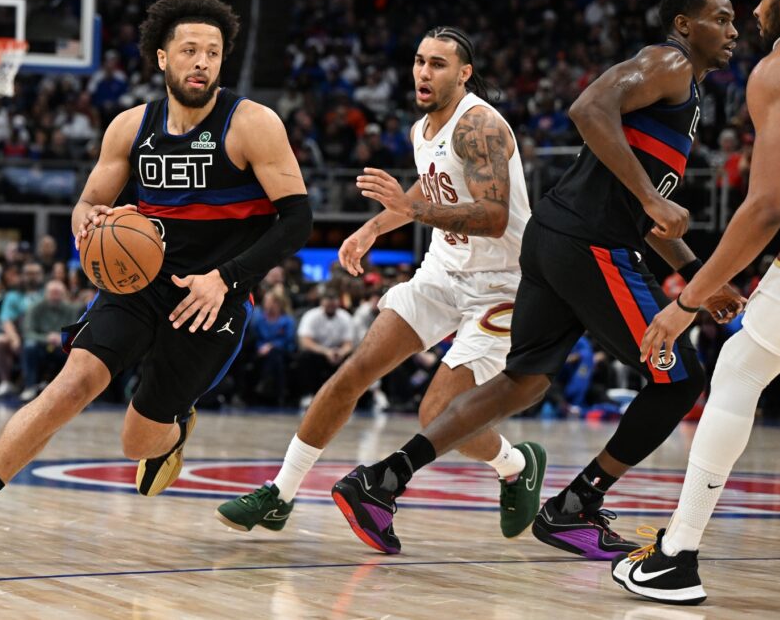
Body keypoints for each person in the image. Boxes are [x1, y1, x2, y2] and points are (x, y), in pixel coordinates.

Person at [328, 0, 746, 559]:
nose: (732, 31)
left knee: (523, 381)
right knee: (679, 379)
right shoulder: (666, 62)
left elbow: (645, 214)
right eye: (720, 19)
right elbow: (587, 108)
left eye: (733, 21)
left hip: (558, 240)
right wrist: (652, 198)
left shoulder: (687, 93)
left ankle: (382, 479)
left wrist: (700, 271)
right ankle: (577, 506)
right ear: (682, 24)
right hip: (588, 244)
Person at [0, 0, 312, 566]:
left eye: (214, 53)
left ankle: (173, 428)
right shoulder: (129, 128)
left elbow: (298, 219)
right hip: (136, 284)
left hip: (210, 299)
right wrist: (89, 222)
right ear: (162, 59)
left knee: (136, 442)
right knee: (69, 387)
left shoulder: (252, 124)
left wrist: (225, 278)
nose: (202, 62)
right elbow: (88, 204)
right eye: (190, 50)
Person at [216, 27, 544, 550]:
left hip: (502, 285)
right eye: (419, 61)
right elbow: (431, 183)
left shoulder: (479, 124)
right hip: (443, 270)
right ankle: (280, 494)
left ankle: (516, 464)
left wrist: (410, 210)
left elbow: (494, 214)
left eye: (438, 64)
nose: (423, 72)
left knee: (437, 412)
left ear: (463, 74)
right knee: (354, 372)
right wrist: (374, 226)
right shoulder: (422, 131)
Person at [613, 0, 780, 604]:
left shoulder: (779, 70)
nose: (754, 11)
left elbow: (768, 204)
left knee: (740, 369)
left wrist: (685, 299)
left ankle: (677, 554)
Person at [0, 262, 45, 399]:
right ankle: (6, 382)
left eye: (36, 274)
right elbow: (6, 320)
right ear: (22, 276)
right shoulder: (13, 295)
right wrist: (14, 338)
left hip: (43, 336)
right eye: (28, 274)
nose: (32, 277)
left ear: (42, 276)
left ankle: (35, 384)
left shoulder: (49, 293)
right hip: (21, 336)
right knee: (0, 340)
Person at [18, 280, 79, 402]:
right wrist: (46, 338)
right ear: (46, 294)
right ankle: (29, 387)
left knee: (77, 350)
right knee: (29, 346)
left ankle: (72, 390)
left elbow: (76, 331)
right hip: (40, 345)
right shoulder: (35, 308)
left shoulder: (71, 309)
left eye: (58, 293)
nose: (55, 296)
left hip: (62, 346)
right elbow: (27, 332)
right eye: (52, 293)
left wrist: (61, 338)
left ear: (64, 294)